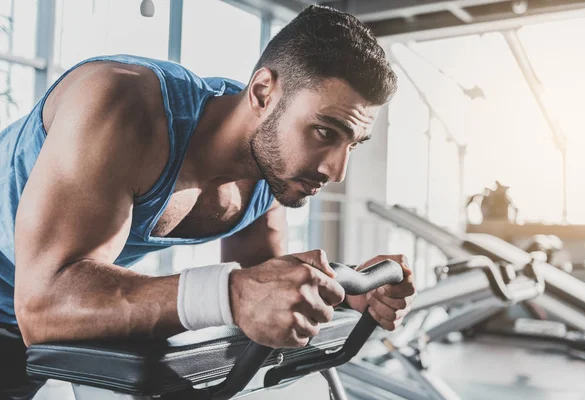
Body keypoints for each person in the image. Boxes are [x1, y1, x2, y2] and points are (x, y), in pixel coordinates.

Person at [0, 5, 416, 399]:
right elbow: (42, 307)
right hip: (34, 306)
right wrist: (229, 292)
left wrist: (341, 293)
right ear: (262, 92)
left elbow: (265, 290)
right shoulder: (121, 103)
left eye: (353, 145)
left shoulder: (269, 175)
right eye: (325, 132)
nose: (336, 171)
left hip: (28, 324)